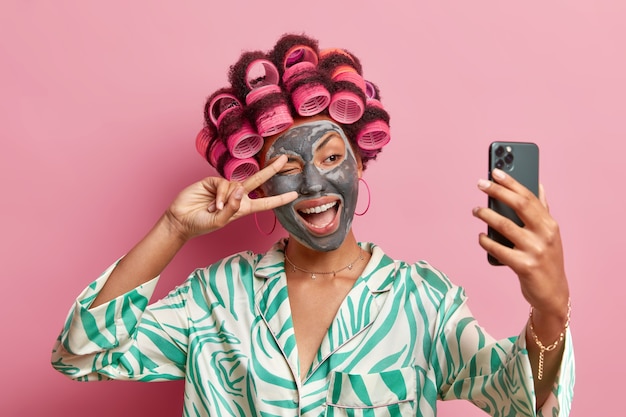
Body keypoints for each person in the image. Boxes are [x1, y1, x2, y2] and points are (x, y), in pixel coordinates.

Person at [51, 33, 574, 416]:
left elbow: (519, 398)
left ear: (361, 160)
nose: (313, 186)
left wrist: (551, 308)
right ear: (256, 180)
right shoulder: (214, 298)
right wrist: (173, 228)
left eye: (329, 157)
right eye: (288, 166)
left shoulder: (422, 301)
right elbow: (81, 354)